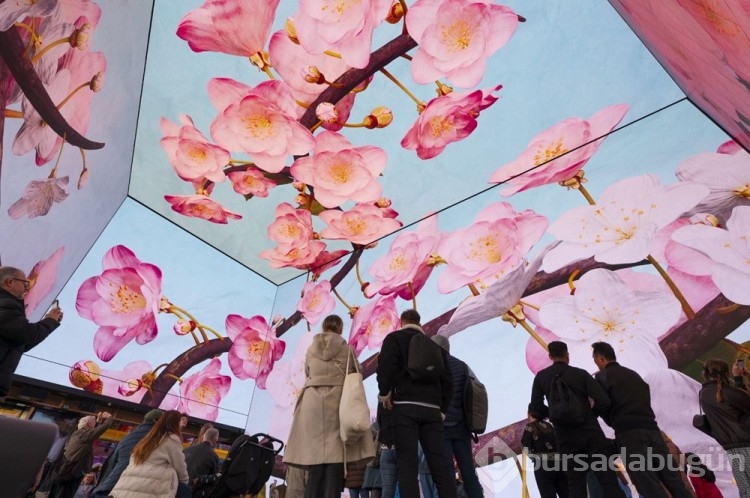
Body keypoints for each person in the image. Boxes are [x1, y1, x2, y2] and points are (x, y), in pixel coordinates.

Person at [283, 314, 375, 498]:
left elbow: (308, 371)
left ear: (324, 327)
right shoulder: (347, 350)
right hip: (337, 403)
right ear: (340, 328)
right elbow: (357, 371)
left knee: (315, 462)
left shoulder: (311, 350)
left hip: (312, 404)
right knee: (334, 461)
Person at [591, 341, 692, 498]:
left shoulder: (602, 377)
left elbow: (601, 405)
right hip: (652, 430)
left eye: (595, 359)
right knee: (673, 480)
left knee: (647, 483)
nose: (596, 363)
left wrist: (610, 419)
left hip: (629, 434)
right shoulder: (633, 374)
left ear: (600, 357)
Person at [376, 309, 457, 498]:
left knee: (407, 465)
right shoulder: (434, 346)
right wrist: (441, 409)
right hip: (432, 411)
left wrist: (385, 394)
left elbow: (386, 368)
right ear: (419, 323)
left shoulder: (394, 339)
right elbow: (448, 382)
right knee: (440, 465)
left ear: (402, 322)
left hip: (404, 407)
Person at [528, 340, 625, 498]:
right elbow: (603, 401)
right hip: (591, 433)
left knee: (576, 486)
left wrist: (554, 415)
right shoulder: (580, 374)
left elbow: (536, 408)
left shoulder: (541, 378)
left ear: (550, 356)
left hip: (566, 439)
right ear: (567, 355)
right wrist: (590, 414)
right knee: (609, 483)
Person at [431, 335, 484, 498]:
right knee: (468, 473)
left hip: (442, 429)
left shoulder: (431, 367)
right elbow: (477, 389)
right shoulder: (462, 366)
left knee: (446, 476)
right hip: (462, 427)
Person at [0, 266, 63, 400]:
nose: (27, 287)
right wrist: (49, 321)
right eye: (25, 283)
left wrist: (51, 323)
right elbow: (24, 334)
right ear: (10, 282)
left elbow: (21, 342)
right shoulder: (7, 304)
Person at [110, 410, 191, 498]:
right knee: (185, 490)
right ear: (175, 423)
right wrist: (184, 481)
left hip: (123, 488)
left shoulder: (148, 438)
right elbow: (181, 469)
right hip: (149, 489)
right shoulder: (171, 439)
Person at [699, 359, 750, 497]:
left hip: (731, 449)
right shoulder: (730, 392)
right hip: (747, 443)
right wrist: (739, 378)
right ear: (727, 373)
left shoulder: (703, 394)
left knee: (745, 490)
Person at [90, 409, 164, 498]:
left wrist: (103, 484)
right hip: (127, 485)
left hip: (112, 484)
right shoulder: (157, 437)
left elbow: (111, 462)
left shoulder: (130, 436)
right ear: (156, 420)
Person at [49, 412, 114, 498]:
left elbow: (92, 432)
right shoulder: (82, 434)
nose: (95, 420)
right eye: (93, 420)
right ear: (87, 424)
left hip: (68, 472)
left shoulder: (80, 434)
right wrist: (109, 418)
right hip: (70, 473)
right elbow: (99, 430)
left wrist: (98, 422)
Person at [521, 409, 568, 498]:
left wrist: (533, 458)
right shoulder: (550, 425)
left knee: (548, 494)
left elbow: (524, 445)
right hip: (558, 463)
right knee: (566, 493)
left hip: (542, 465)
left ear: (530, 415)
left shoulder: (530, 427)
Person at [376, 402, 397, 498]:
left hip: (386, 448)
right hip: (404, 448)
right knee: (407, 486)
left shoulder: (382, 401)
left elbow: (379, 421)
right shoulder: (405, 396)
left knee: (387, 490)